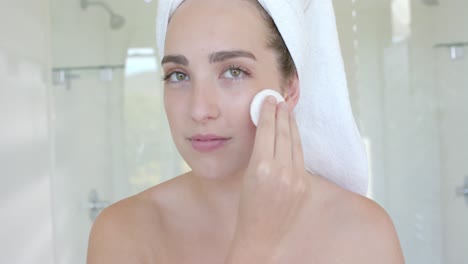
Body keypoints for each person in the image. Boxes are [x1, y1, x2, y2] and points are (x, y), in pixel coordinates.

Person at [87, 0, 405, 263]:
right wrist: (256, 243)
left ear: (291, 86)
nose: (200, 109)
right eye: (178, 75)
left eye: (233, 71)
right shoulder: (124, 232)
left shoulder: (364, 235)